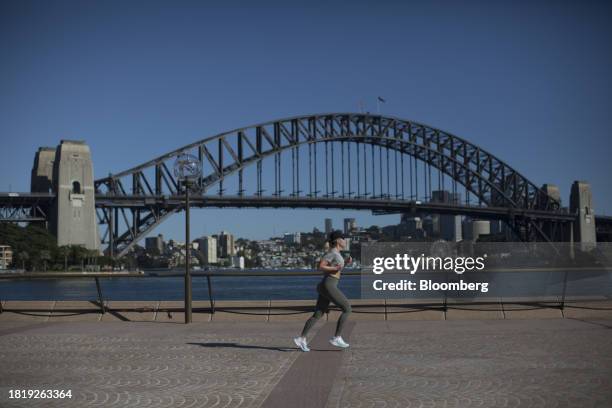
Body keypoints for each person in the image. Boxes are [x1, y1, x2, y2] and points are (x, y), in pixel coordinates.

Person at [293, 230, 352, 352]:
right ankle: (337, 337)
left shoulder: (337, 254)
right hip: (329, 285)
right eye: (343, 238)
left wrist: (344, 263)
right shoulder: (333, 252)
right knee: (347, 308)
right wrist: (336, 267)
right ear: (337, 241)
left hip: (327, 284)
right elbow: (320, 266)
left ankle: (301, 338)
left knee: (318, 314)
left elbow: (336, 269)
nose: (345, 241)